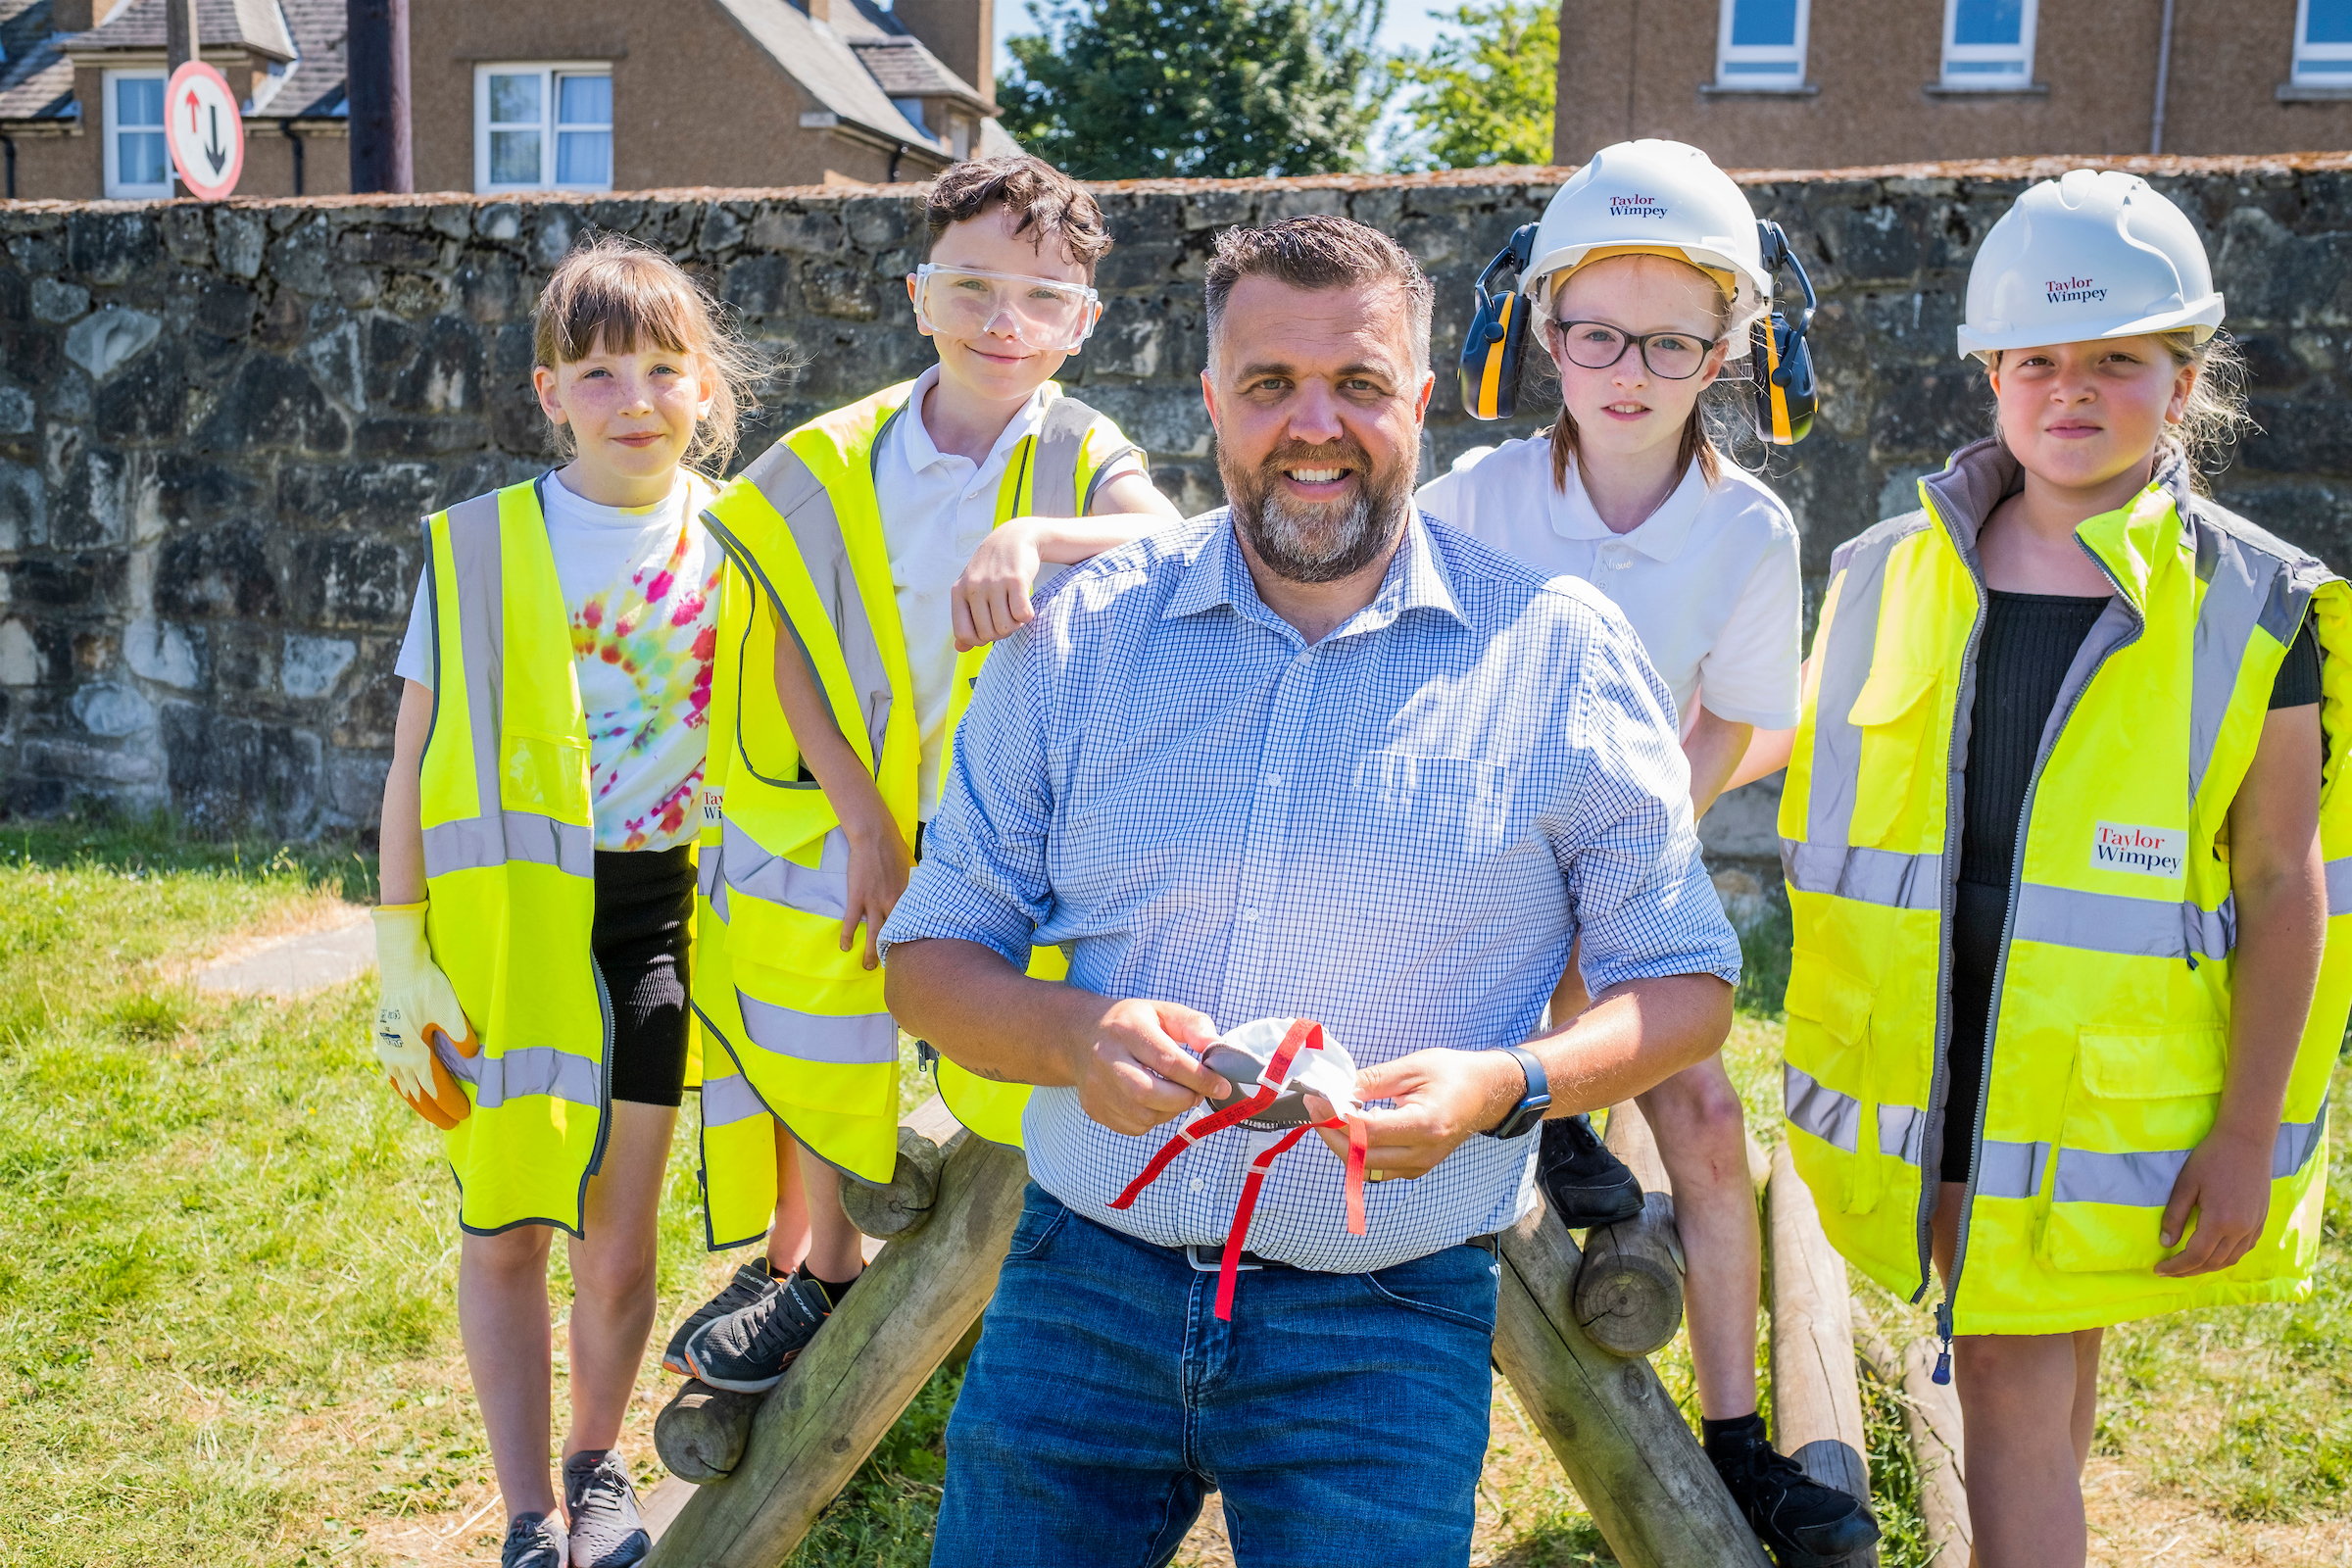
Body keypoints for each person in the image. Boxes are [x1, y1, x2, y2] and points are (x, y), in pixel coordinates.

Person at [880, 214, 1743, 1567]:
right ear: (1213, 401)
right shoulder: (1088, 637)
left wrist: (1506, 1086)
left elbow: (1687, 985)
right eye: (1270, 385)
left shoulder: (1561, 655)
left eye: (1357, 384)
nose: (1314, 424)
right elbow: (932, 955)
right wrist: (1071, 1038)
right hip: (1084, 1292)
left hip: (1383, 1322)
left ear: (1423, 400)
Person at [1776, 169, 2352, 1568]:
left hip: (2080, 1091)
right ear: (1989, 371)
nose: (2072, 390)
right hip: (1934, 1065)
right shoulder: (1885, 570)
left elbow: (2285, 885)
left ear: (2187, 375)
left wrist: (2240, 1134)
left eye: (2118, 360)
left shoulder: (2258, 603)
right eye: (2038, 358)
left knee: (2017, 1416)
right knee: (2038, 1394)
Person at [1415, 140, 1874, 1565]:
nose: (1628, 368)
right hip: (1469, 847)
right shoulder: (1475, 500)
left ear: (1736, 348)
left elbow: (1743, 713)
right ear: (1537, 332)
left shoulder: (1746, 527)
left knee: (1709, 1122)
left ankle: (1738, 1444)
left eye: (1673, 342)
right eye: (1595, 333)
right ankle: (1540, 1124)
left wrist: (1643, 831)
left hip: (1638, 829)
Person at [661, 154, 1185, 1395]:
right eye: (973, 287)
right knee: (795, 954)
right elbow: (778, 631)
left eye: (1044, 298)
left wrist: (1039, 534)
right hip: (854, 802)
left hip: (1014, 818)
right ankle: (823, 1268)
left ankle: (1036, 1263)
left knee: (1027, 1016)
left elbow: (1175, 536)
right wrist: (860, 818)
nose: (1006, 323)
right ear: (918, 296)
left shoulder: (1079, 448)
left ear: (1085, 322)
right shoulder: (837, 453)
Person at [370, 235, 759, 1568]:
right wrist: (396, 952)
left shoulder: (745, 542)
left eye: (662, 368)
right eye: (598, 373)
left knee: (618, 1229)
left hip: (651, 920)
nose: (634, 399)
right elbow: (413, 758)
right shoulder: (477, 547)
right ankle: (526, 1508)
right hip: (501, 936)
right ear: (550, 394)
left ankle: (598, 1471)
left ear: (705, 384)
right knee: (507, 1223)